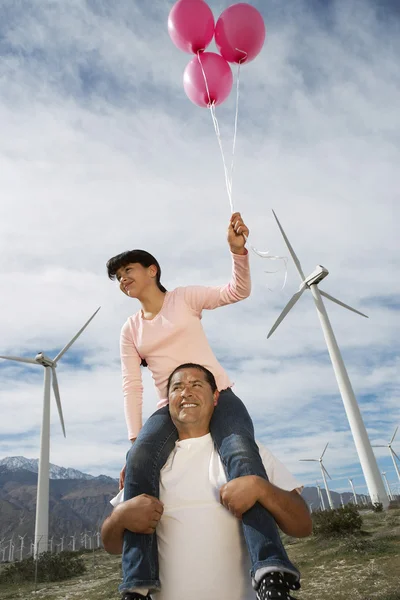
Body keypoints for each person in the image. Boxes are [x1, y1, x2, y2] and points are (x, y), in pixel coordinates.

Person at [106, 214, 301, 598]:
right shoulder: (131, 329)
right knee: (140, 462)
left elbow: (236, 291)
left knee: (241, 455)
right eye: (117, 278)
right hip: (170, 405)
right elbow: (131, 385)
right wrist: (133, 440)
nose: (123, 280)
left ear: (151, 270)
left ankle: (270, 569)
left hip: (219, 395)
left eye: (128, 270)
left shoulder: (184, 298)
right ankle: (138, 582)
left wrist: (238, 252)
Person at [102, 364, 312, 600]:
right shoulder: (146, 466)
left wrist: (261, 488)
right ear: (167, 400)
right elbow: (112, 545)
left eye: (196, 385)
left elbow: (303, 525)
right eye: (177, 387)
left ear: (215, 397)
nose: (185, 393)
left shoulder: (248, 454)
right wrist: (119, 518)